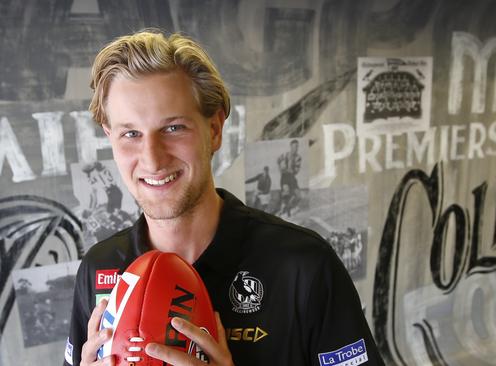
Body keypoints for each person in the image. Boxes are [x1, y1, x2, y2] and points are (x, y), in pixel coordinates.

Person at [64, 30, 384, 366]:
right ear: (110, 139)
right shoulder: (98, 269)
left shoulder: (302, 266)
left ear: (215, 129)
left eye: (173, 128)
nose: (152, 159)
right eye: (130, 134)